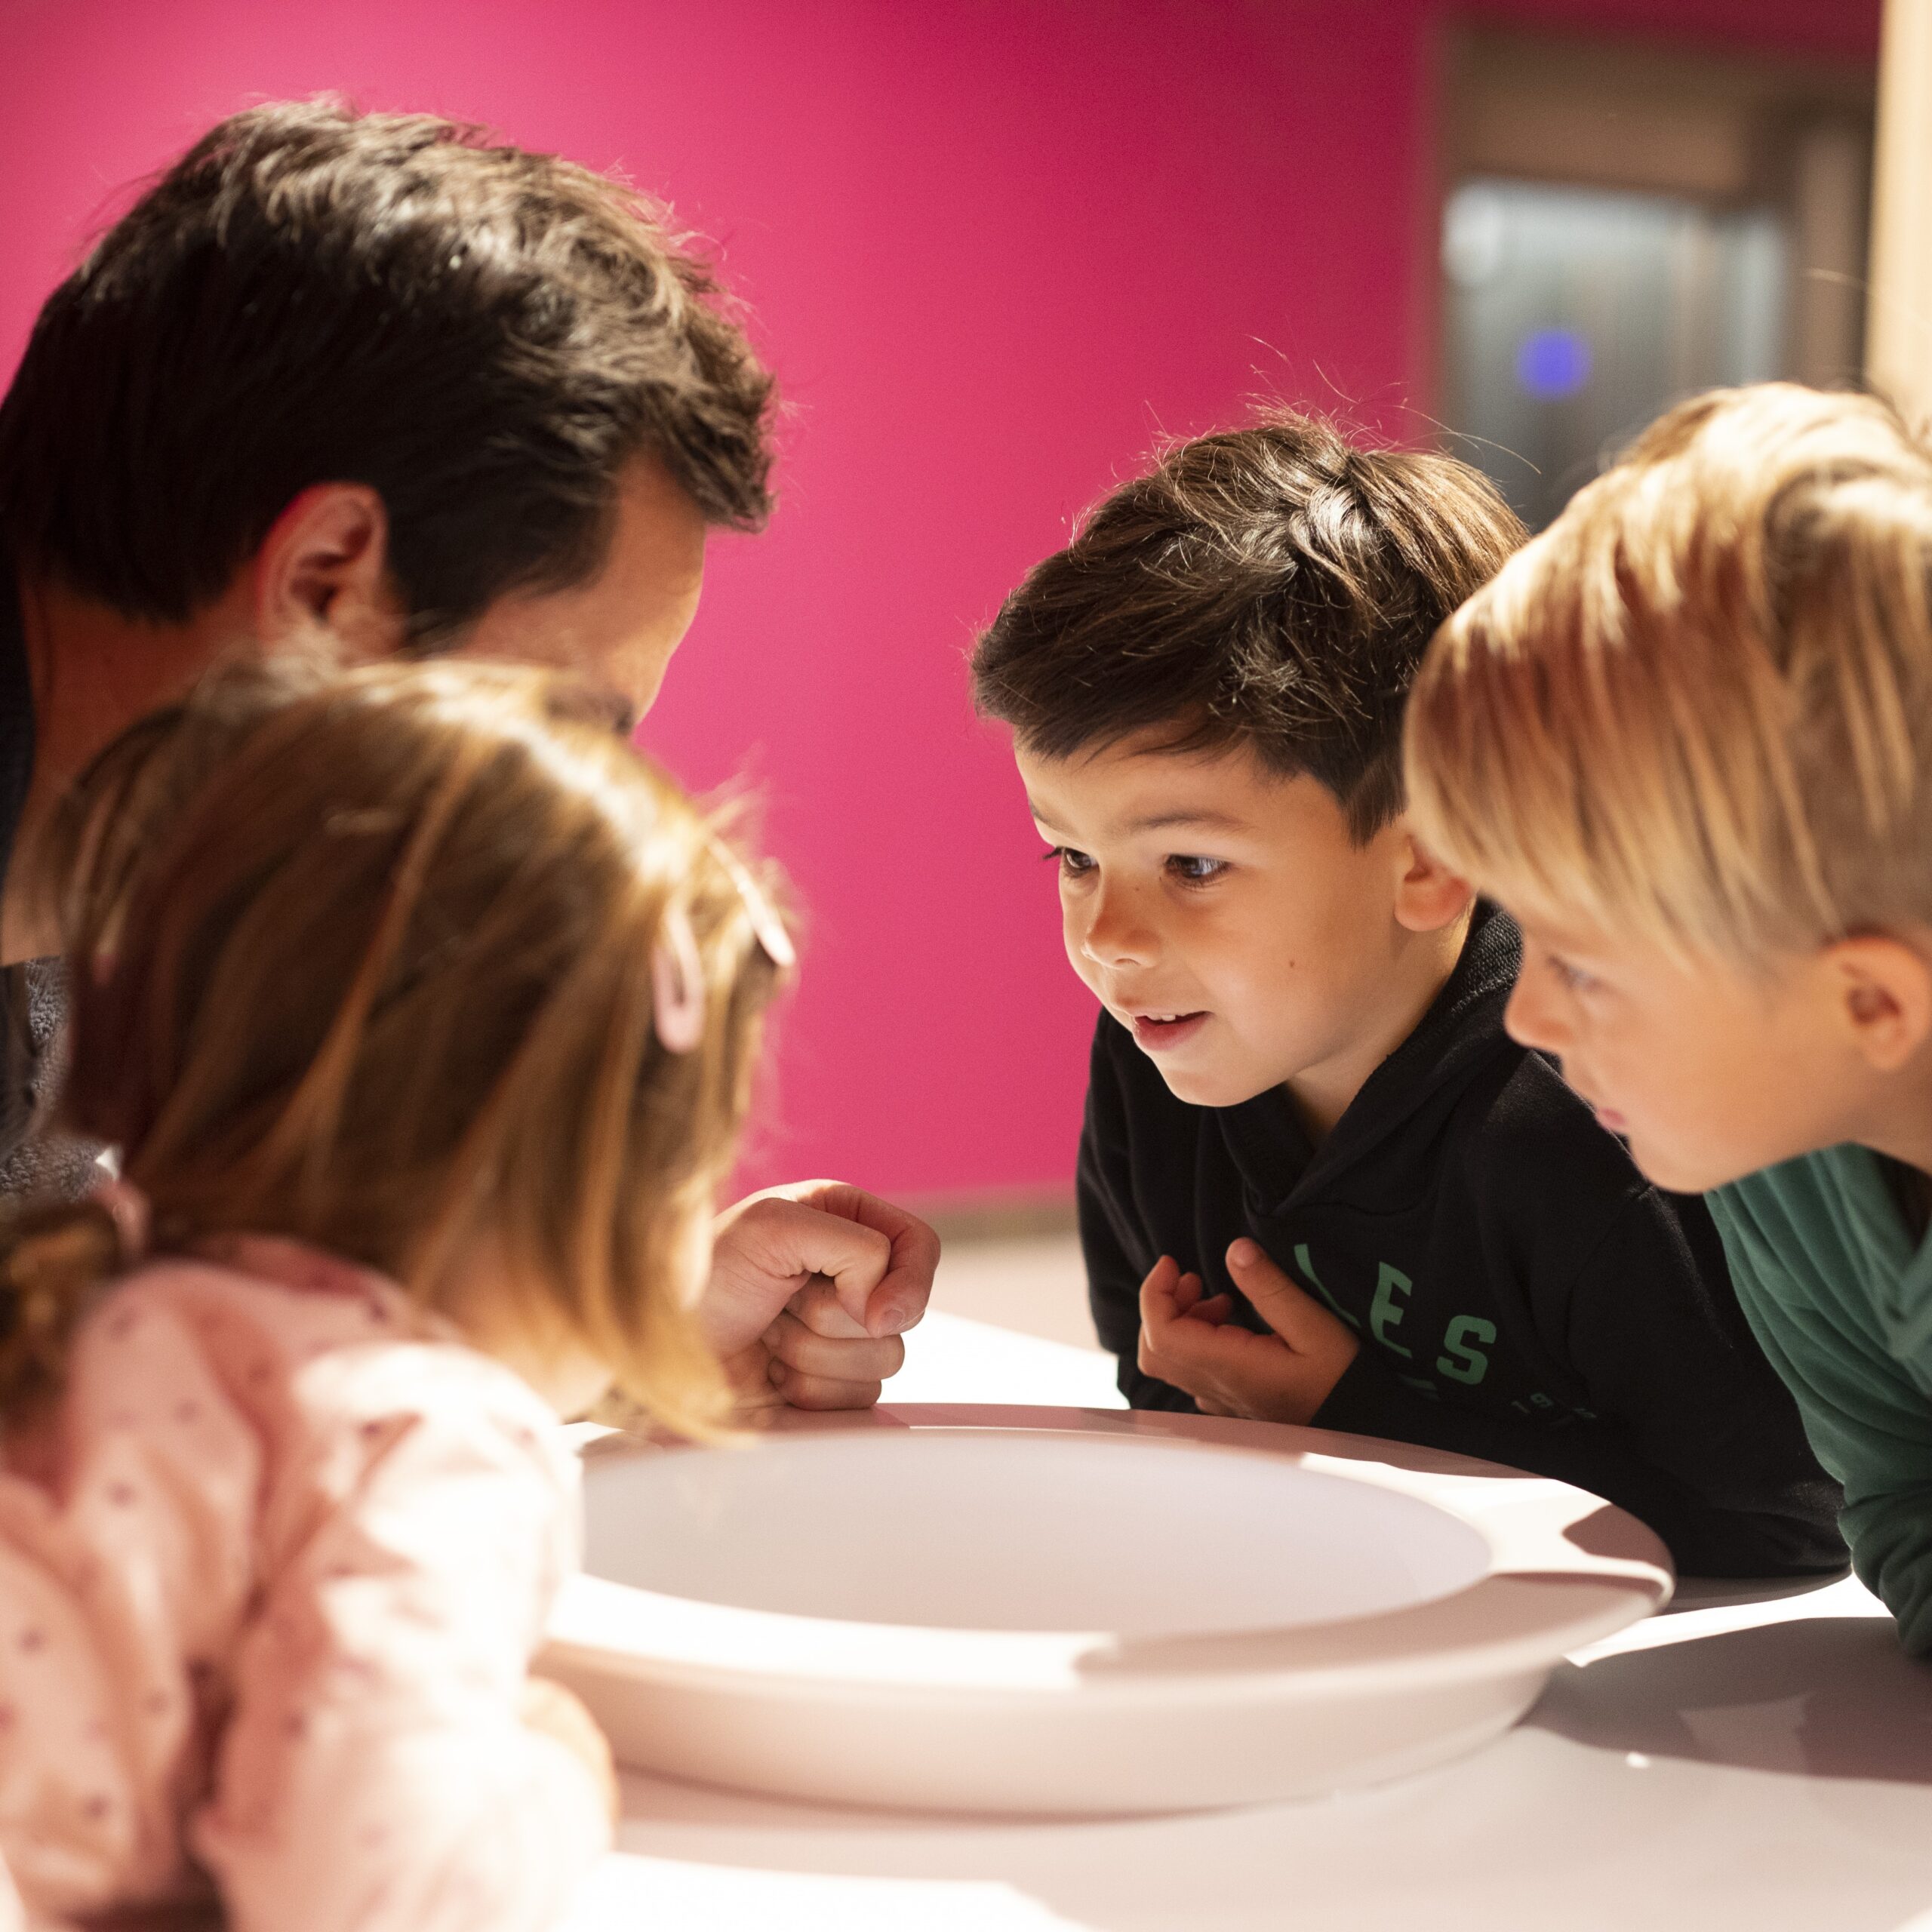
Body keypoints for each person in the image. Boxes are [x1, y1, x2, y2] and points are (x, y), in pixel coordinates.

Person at [0, 98, 931, 1402]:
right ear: (327, 582)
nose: (570, 807)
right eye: (558, 726)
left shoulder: (114, 927)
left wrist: (600, 1330)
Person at [0, 648, 812, 1929]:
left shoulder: (106, 1290)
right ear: (564, 1176)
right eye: (689, 1174)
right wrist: (553, 1772)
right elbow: (350, 1891)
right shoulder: (433, 1444)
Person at [969, 414, 1842, 1577]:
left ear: (1430, 860)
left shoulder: (1590, 1113)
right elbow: (1169, 1402)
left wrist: (1362, 1413)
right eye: (1070, 859)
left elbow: (1781, 1521)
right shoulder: (1157, 1052)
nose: (1108, 941)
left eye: (1192, 866)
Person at [1403, 383, 1932, 1647]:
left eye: (1583, 966)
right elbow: (1905, 1506)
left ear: (1869, 1001)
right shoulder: (1787, 1160)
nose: (1525, 1019)